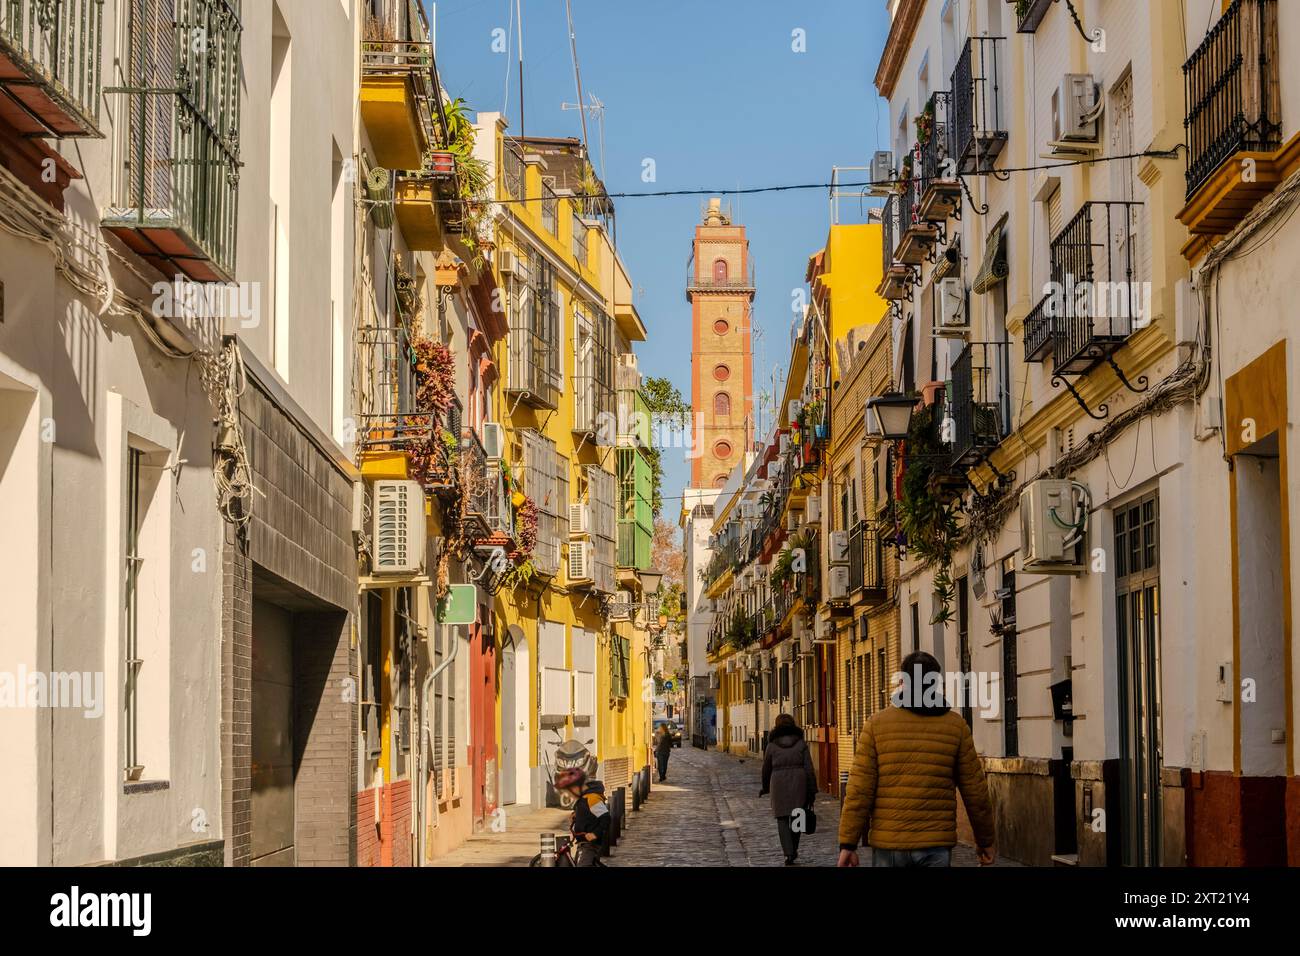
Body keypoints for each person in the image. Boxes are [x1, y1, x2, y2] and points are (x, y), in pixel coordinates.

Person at [837, 650, 996, 868]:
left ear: (903, 682)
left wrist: (848, 843)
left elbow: (858, 790)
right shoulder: (955, 727)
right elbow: (976, 792)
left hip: (889, 843)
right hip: (935, 843)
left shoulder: (876, 725)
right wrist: (985, 840)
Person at [760, 713, 818, 865]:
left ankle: (788, 853)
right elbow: (809, 768)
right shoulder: (800, 743)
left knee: (782, 819)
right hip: (798, 782)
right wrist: (812, 789)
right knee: (797, 816)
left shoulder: (771, 746)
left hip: (778, 783)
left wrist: (765, 787)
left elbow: (766, 769)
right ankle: (794, 849)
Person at [555, 767, 608, 866]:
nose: (569, 793)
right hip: (583, 841)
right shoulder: (583, 798)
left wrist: (594, 834)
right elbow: (586, 812)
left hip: (591, 843)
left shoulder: (592, 798)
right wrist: (575, 815)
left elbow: (606, 818)